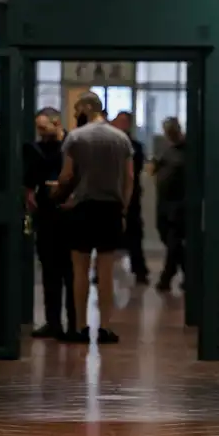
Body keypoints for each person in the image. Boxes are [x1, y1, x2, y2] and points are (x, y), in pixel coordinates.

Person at [51, 93, 134, 344]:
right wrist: (123, 208)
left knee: (80, 270)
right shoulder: (121, 138)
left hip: (82, 208)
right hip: (110, 209)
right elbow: (129, 177)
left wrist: (58, 194)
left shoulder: (76, 137)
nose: (76, 115)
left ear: (87, 108)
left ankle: (81, 326)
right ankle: (105, 327)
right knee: (105, 271)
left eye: (78, 110)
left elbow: (67, 175)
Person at [22, 108, 78, 339]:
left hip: (70, 215)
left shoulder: (73, 146)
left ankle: (74, 323)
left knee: (71, 272)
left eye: (44, 128)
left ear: (57, 123)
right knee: (50, 271)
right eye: (39, 128)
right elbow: (28, 181)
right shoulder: (35, 149)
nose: (41, 133)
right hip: (45, 215)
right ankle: (53, 321)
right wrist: (29, 196)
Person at [109, 111, 150, 285]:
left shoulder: (135, 147)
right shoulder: (109, 145)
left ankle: (139, 270)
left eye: (124, 122)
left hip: (131, 196)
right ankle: (103, 271)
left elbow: (133, 170)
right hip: (111, 195)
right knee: (108, 235)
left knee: (134, 234)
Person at [152, 117, 188, 292]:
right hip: (165, 203)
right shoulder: (168, 150)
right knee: (168, 238)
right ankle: (189, 274)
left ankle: (167, 277)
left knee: (173, 242)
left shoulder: (188, 150)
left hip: (178, 204)